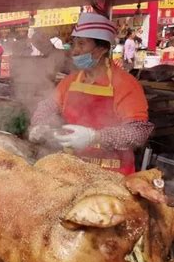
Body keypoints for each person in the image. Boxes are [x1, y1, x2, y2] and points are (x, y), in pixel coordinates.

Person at [29, 13, 153, 175]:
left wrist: (95, 137)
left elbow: (138, 131)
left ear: (101, 49)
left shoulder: (126, 84)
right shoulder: (71, 81)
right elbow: (47, 106)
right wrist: (39, 124)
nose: (74, 51)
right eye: (74, 44)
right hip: (73, 170)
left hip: (113, 174)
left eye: (81, 44)